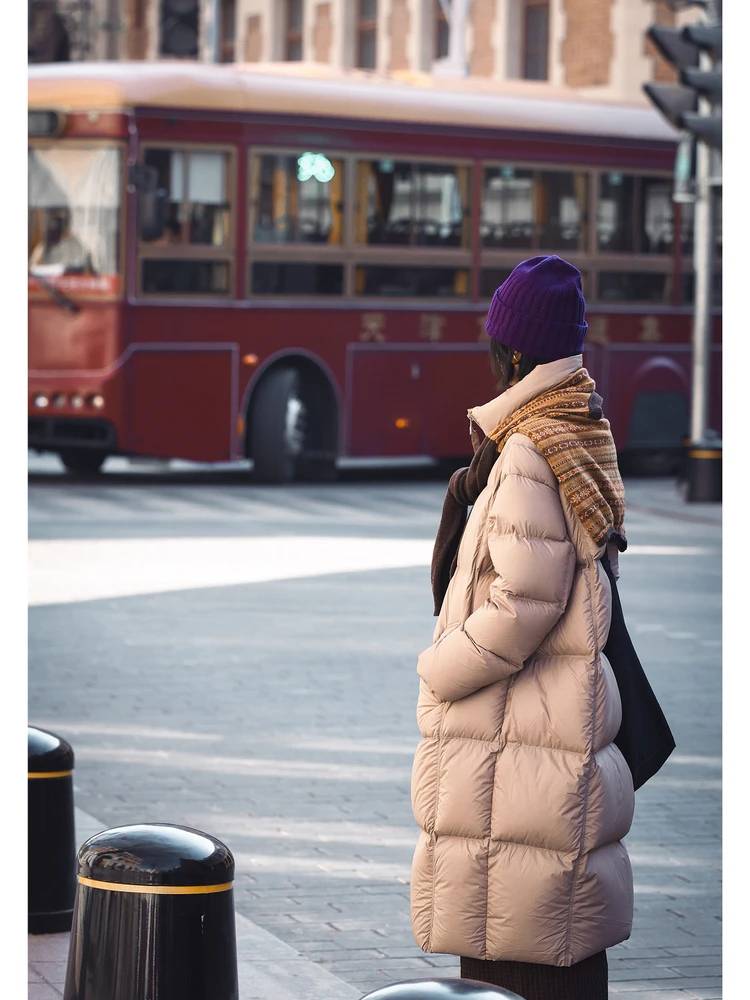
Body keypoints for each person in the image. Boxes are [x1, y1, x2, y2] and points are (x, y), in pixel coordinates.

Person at [410, 255, 634, 1000]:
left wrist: (441, 668)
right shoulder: (576, 425)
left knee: (512, 934)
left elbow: (525, 601)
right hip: (551, 728)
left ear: (512, 352)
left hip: (520, 744)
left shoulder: (531, 450)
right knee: (555, 930)